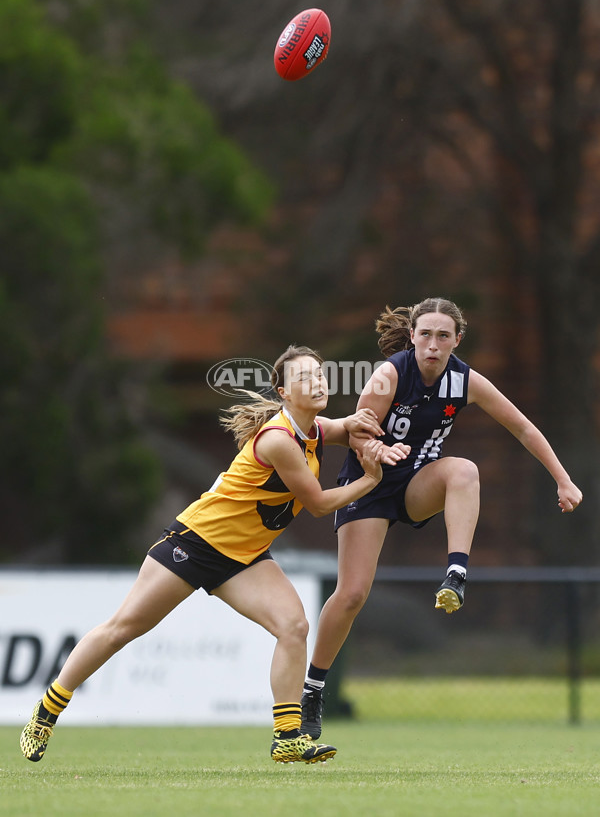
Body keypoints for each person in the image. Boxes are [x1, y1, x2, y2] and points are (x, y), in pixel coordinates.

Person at [20, 345, 388, 766]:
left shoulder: (314, 429)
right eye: (305, 378)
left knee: (294, 626)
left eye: (321, 376)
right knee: (122, 629)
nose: (318, 383)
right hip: (194, 544)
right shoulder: (278, 440)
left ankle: (287, 736)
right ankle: (46, 712)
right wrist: (372, 479)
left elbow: (343, 427)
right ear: (284, 392)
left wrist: (366, 426)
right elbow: (321, 504)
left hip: (244, 557)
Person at [300, 297, 583, 740]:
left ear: (457, 340)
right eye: (426, 334)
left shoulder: (465, 380)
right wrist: (378, 450)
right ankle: (313, 688)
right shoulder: (388, 375)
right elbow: (356, 435)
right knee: (352, 594)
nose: (433, 344)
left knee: (464, 469)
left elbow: (523, 427)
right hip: (370, 482)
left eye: (443, 336)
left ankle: (456, 573)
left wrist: (563, 480)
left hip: (417, 484)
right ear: (412, 335)